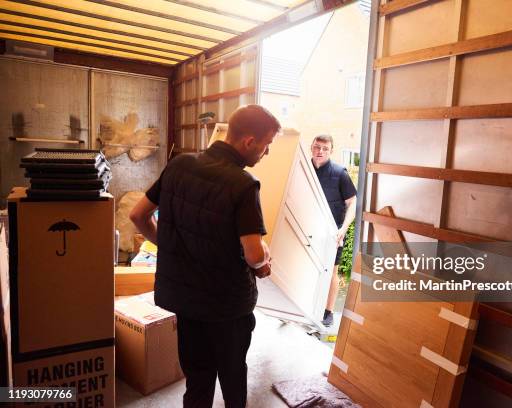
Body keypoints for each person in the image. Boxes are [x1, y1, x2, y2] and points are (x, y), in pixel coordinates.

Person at [129, 105, 281, 408]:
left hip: (185, 301)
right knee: (233, 376)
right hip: (227, 306)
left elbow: (138, 215)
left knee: (197, 379)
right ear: (249, 142)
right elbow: (253, 254)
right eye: (267, 145)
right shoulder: (243, 184)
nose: (266, 154)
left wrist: (169, 245)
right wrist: (263, 265)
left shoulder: (179, 165)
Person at [310, 135, 357, 327]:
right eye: (317, 147)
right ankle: (308, 307)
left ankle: (328, 312)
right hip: (309, 229)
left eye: (325, 148)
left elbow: (352, 203)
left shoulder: (340, 173)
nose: (320, 151)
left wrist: (343, 229)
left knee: (332, 272)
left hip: (333, 233)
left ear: (331, 151)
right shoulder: (304, 169)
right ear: (311, 147)